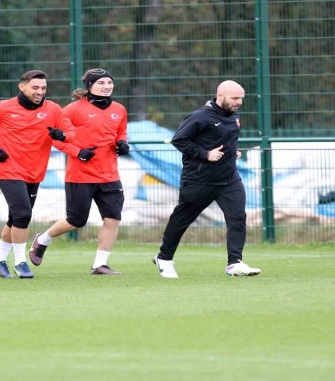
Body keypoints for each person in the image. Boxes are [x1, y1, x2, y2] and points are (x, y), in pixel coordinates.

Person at [154, 80, 261, 278]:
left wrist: (232, 152)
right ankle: (164, 258)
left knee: (237, 217)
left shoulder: (234, 116)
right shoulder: (200, 116)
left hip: (229, 179)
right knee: (182, 220)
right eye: (235, 98)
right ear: (220, 96)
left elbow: (222, 140)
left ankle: (234, 263)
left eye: (241, 98)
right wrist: (205, 154)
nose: (239, 102)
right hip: (199, 179)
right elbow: (179, 139)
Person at [29, 69, 129, 274]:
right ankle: (42, 239)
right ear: (90, 85)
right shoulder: (73, 110)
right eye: (101, 83)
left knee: (113, 218)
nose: (107, 86)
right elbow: (54, 137)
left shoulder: (119, 109)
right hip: (80, 176)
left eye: (110, 82)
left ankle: (99, 264)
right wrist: (77, 152)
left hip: (109, 175)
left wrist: (123, 144)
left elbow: (121, 133)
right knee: (76, 220)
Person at [0, 69, 75, 279]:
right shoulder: (1, 108)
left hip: (35, 172)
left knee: (15, 219)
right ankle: (21, 263)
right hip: (8, 169)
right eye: (35, 87)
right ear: (21, 87)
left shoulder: (54, 109)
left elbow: (71, 134)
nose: (40, 91)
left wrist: (63, 135)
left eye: (43, 88)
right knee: (23, 214)